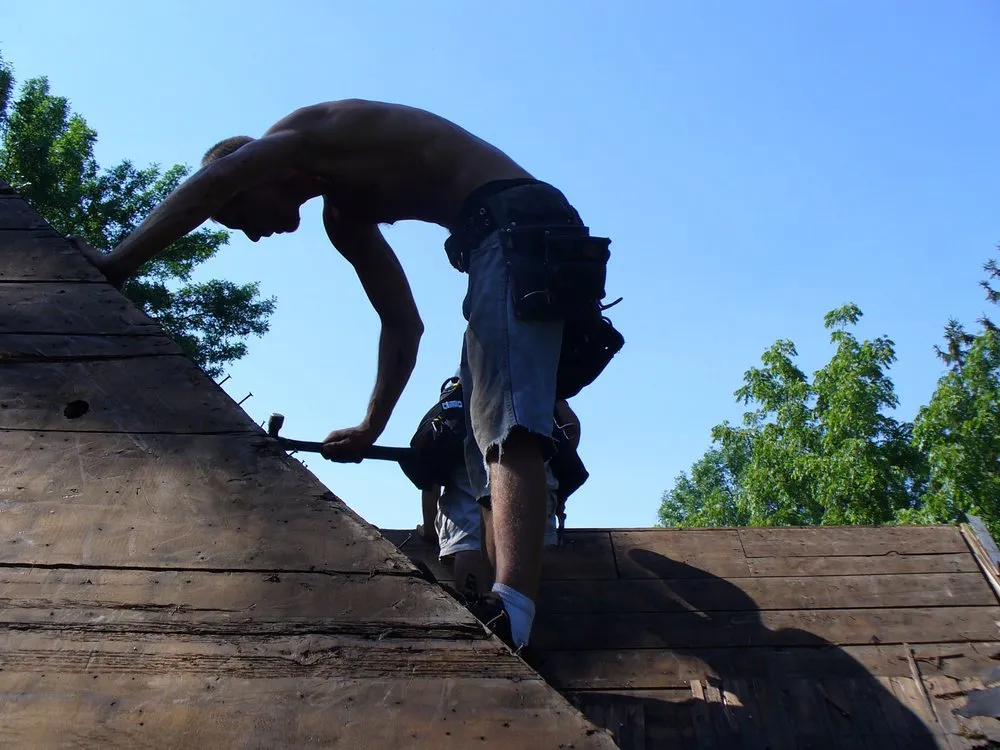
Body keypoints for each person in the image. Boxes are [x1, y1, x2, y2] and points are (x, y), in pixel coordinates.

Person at [73, 99, 621, 651]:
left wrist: (118, 263)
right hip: (498, 238)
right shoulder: (344, 216)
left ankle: (513, 610)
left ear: (258, 175)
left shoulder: (309, 132)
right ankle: (505, 609)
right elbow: (403, 325)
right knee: (481, 429)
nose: (252, 237)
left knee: (507, 417)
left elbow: (218, 177)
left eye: (239, 218)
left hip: (517, 223)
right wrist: (369, 427)